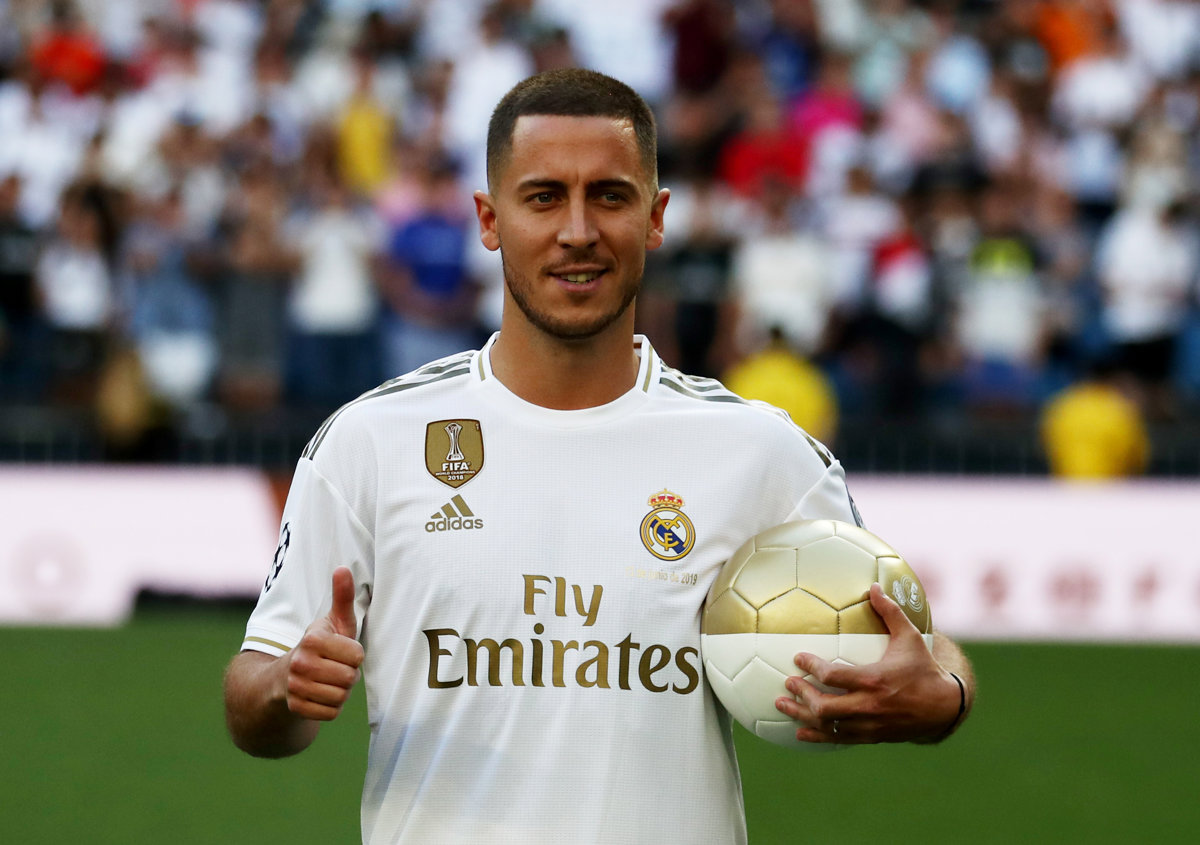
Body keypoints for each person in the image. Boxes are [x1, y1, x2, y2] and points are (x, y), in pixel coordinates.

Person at [223, 68, 976, 844]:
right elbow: (253, 694)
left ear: (656, 218)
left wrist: (945, 692)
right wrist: (285, 686)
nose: (578, 230)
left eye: (610, 197)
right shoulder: (371, 440)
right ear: (489, 219)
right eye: (544, 197)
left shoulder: (757, 448)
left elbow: (919, 641)